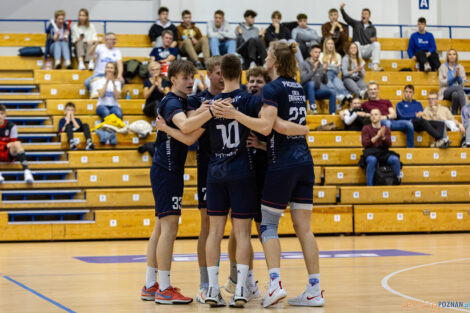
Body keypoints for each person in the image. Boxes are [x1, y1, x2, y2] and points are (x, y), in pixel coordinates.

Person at [214, 42, 324, 307]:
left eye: (268, 55)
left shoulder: (273, 88)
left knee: (268, 226)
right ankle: (315, 288)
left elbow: (265, 126)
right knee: (304, 229)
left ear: (275, 60)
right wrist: (302, 130)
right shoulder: (298, 87)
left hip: (282, 163)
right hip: (304, 162)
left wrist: (234, 113)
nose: (265, 57)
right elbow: (286, 125)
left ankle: (274, 284)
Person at [147, 59, 213, 304]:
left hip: (165, 169)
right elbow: (186, 130)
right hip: (168, 169)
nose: (190, 81)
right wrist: (210, 112)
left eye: (192, 77)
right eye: (185, 77)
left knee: (160, 228)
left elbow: (187, 121)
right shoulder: (173, 101)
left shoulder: (179, 101)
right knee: (169, 228)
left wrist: (200, 110)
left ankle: (150, 284)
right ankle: (164, 289)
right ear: (172, 79)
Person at [223, 66, 270, 300]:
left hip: (263, 176)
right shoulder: (241, 103)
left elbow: (282, 141)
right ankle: (242, 279)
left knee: (263, 230)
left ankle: (272, 280)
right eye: (250, 80)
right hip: (241, 174)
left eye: (259, 81)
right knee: (238, 229)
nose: (253, 84)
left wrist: (262, 146)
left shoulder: (270, 107)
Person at [187, 56, 224, 303]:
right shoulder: (195, 99)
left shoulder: (237, 96)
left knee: (239, 226)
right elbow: (189, 129)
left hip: (236, 165)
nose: (223, 77)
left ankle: (240, 279)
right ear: (209, 74)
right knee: (207, 226)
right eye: (219, 73)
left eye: (226, 73)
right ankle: (205, 283)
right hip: (208, 167)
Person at [361, 81, 415, 148]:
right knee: (386, 123)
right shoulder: (365, 104)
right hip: (380, 123)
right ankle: (387, 147)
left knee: (409, 124)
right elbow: (358, 112)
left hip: (391, 121)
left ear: (378, 90)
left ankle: (411, 149)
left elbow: (394, 115)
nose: (373, 91)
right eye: (371, 89)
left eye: (375, 89)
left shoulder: (386, 101)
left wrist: (384, 117)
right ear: (368, 91)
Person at [360, 109, 401, 186]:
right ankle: (369, 185)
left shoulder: (386, 129)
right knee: (372, 160)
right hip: (370, 152)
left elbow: (389, 144)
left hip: (383, 152)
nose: (373, 116)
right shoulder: (366, 128)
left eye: (376, 114)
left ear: (380, 116)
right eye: (372, 115)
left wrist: (383, 137)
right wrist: (377, 136)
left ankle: (396, 182)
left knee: (395, 159)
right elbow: (365, 144)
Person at [340, 3, 383, 71]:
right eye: (362, 13)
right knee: (356, 43)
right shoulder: (356, 24)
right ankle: (358, 65)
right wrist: (342, 9)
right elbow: (347, 18)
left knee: (377, 44)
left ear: (369, 16)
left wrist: (373, 40)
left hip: (367, 50)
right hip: (357, 49)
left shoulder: (373, 28)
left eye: (365, 14)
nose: (363, 15)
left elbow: (373, 41)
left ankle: (375, 66)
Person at [0, 104, 34, 184]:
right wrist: (5, 145)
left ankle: (26, 171)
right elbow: (8, 144)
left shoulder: (11, 126)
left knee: (18, 143)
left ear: (5, 115)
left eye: (1, 113)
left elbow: (13, 143)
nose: (0, 116)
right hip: (2, 149)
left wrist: (7, 146)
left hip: (7, 153)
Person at [300, 45, 336, 114]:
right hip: (305, 91)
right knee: (311, 84)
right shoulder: (304, 64)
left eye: (319, 52)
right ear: (311, 53)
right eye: (315, 52)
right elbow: (303, 80)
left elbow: (325, 82)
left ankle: (332, 114)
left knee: (332, 92)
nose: (318, 54)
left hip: (315, 91)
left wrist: (324, 71)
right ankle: (313, 109)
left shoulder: (320, 65)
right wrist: (313, 70)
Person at [321, 37, 352, 110]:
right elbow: (322, 67)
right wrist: (334, 66)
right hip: (325, 74)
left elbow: (338, 70)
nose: (330, 45)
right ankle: (340, 96)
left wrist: (334, 66)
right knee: (331, 85)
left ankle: (347, 96)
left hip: (334, 73)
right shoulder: (321, 55)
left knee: (340, 86)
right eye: (328, 44)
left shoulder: (338, 55)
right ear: (325, 45)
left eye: (332, 44)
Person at [438, 49, 467, 114]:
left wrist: (458, 76)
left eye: (454, 54)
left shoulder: (460, 67)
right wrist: (454, 77)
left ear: (456, 56)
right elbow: (441, 82)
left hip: (457, 92)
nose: (452, 56)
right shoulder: (442, 67)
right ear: (447, 56)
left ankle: (454, 113)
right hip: (445, 90)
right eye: (450, 54)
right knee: (458, 88)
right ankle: (465, 111)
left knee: (455, 95)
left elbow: (463, 83)